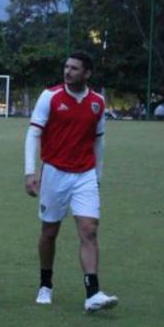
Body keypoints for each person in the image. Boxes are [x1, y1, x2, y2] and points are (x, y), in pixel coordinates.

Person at [24, 51, 118, 313]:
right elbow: (33, 134)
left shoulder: (98, 102)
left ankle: (92, 293)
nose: (68, 72)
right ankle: (45, 284)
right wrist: (30, 172)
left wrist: (97, 176)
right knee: (49, 232)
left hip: (85, 175)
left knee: (89, 229)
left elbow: (98, 140)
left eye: (75, 68)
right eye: (66, 67)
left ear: (87, 73)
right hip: (54, 173)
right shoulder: (50, 96)